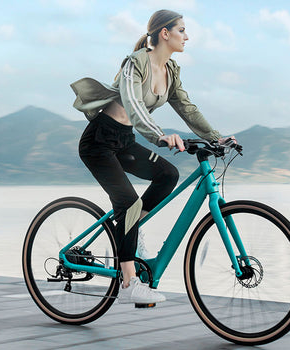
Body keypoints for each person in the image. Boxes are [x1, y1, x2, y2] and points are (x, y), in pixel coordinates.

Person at [70, 9, 234, 305]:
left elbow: (187, 109)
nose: (187, 36)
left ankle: (129, 230)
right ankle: (129, 284)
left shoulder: (171, 72)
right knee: (129, 203)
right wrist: (159, 134)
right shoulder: (136, 64)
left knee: (168, 175)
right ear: (165, 33)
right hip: (99, 142)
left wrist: (215, 137)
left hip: (124, 141)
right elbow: (133, 105)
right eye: (182, 30)